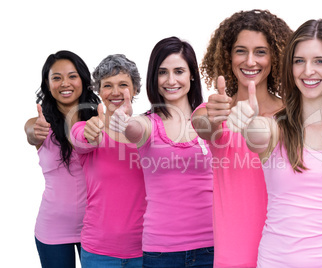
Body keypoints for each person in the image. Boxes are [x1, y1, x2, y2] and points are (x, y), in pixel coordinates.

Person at [229, 19, 322, 267]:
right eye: (299, 61)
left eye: (320, 61)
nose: (307, 71)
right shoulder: (275, 128)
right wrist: (248, 122)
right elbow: (256, 137)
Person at [191, 9, 293, 268]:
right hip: (233, 255)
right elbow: (203, 124)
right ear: (227, 56)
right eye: (240, 51)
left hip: (288, 250)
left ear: (276, 57)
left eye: (260, 51)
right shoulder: (216, 110)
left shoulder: (293, 115)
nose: (250, 61)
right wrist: (215, 118)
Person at [110, 36, 214, 268]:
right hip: (162, 253)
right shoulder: (148, 123)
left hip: (212, 247)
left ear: (192, 75)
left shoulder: (208, 117)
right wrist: (125, 124)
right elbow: (135, 130)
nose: (171, 80)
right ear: (154, 78)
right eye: (162, 72)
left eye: (179, 71)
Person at [24, 50, 100, 268]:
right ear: (48, 85)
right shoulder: (41, 124)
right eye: (56, 77)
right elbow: (30, 131)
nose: (64, 83)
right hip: (53, 230)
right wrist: (33, 131)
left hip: (98, 228)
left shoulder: (99, 120)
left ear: (84, 80)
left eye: (72, 76)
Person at [69, 54, 146, 268]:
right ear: (99, 91)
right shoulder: (86, 128)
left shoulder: (148, 132)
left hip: (145, 251)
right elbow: (80, 139)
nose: (115, 92)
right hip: (98, 253)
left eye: (123, 84)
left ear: (135, 89)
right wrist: (91, 132)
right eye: (107, 85)